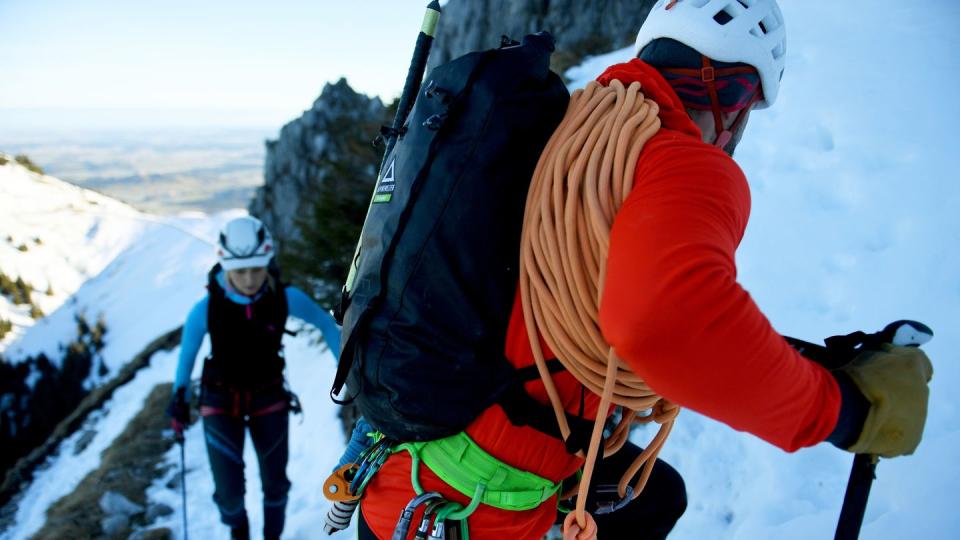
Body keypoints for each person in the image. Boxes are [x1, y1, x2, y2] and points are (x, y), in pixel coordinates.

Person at [353, 1, 933, 538]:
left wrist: (818, 363)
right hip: (478, 507)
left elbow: (618, 297)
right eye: (745, 108)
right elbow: (666, 324)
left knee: (659, 497)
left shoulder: (568, 128)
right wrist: (847, 412)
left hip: (406, 471)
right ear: (734, 101)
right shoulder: (684, 163)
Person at [166, 216, 341, 540]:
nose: (249, 279)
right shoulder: (206, 308)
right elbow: (187, 355)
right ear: (224, 264)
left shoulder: (286, 297)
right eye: (240, 270)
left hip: (268, 395)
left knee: (276, 485)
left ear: (267, 262)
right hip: (220, 399)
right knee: (230, 494)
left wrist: (345, 371)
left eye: (257, 269)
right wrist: (180, 398)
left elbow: (327, 325)